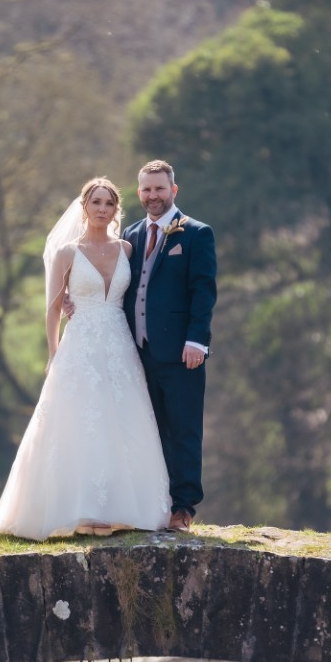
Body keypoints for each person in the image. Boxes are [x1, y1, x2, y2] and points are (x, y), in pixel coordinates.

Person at [0, 177, 170, 544]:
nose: (102, 209)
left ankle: (121, 508)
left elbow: (136, 299)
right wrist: (53, 353)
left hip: (118, 345)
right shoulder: (67, 253)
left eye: (108, 204)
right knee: (80, 421)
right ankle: (80, 509)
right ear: (85, 207)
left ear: (116, 210)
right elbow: (52, 310)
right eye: (96, 202)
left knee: (122, 420)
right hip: (79, 344)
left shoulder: (127, 249)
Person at [122, 159, 217, 530]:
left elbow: (203, 291)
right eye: (146, 189)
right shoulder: (130, 235)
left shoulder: (196, 233)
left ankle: (183, 507)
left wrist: (197, 340)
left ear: (173, 190)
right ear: (139, 192)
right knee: (149, 428)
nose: (153, 195)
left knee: (184, 428)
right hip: (139, 352)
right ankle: (154, 504)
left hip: (182, 353)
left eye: (159, 188)